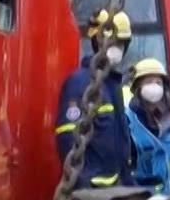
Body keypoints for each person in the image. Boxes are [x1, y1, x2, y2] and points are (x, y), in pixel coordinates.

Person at [53, 11, 132, 188]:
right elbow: (68, 138)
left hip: (116, 190)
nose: (116, 48)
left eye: (120, 43)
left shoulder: (113, 86)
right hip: (92, 193)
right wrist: (83, 184)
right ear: (97, 41)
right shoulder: (79, 83)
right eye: (112, 42)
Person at [124, 58, 170, 195]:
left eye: (158, 83)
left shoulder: (167, 122)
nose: (155, 87)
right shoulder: (128, 121)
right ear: (137, 87)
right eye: (149, 82)